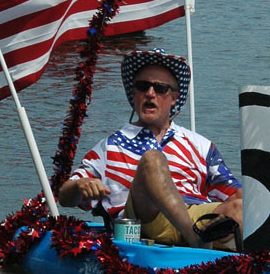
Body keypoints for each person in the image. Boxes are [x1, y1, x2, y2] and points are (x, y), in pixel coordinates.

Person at [59, 49, 243, 250]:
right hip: (143, 221)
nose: (150, 93)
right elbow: (65, 197)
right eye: (142, 86)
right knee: (152, 160)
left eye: (160, 88)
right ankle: (196, 240)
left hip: (195, 214)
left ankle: (237, 256)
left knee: (240, 206)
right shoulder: (109, 146)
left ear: (174, 97)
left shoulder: (201, 145)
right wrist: (79, 186)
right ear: (134, 94)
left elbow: (236, 195)